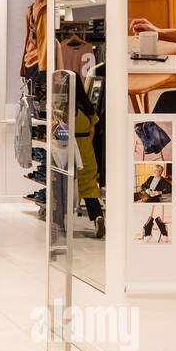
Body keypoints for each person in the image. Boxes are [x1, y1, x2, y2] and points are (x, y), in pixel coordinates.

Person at [74, 81, 104, 238]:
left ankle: (61, 220)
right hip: (85, 148)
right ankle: (98, 216)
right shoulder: (87, 106)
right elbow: (93, 130)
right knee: (89, 185)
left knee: (65, 184)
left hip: (68, 147)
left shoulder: (64, 106)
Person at [18, 0, 47, 99]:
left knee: (40, 103)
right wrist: (24, 66)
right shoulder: (29, 9)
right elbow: (29, 38)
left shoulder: (48, 5)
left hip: (42, 61)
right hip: (29, 61)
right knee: (32, 102)